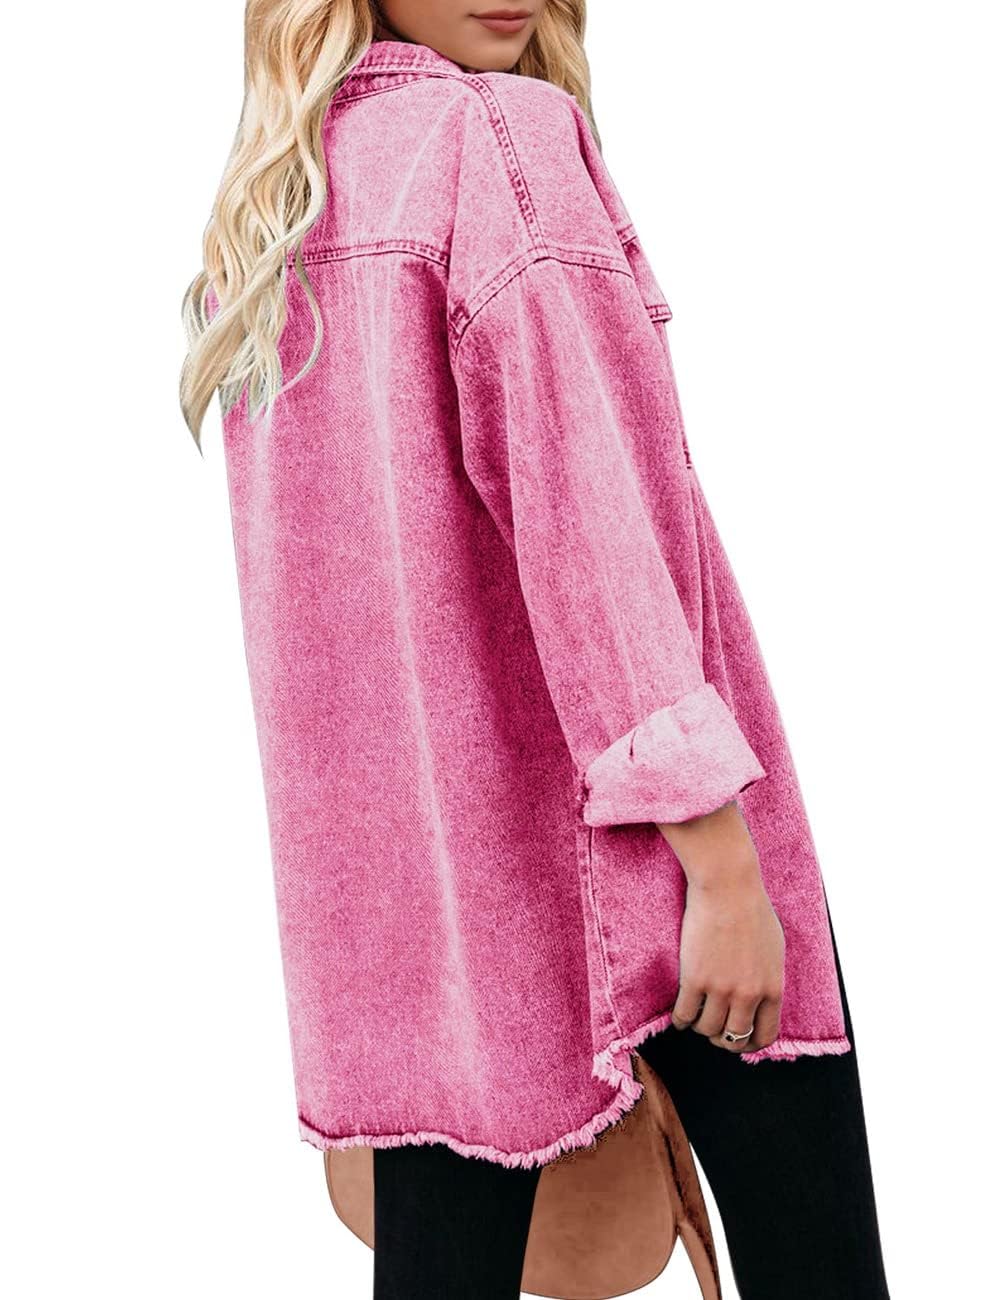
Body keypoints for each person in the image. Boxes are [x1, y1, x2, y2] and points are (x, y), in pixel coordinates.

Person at [180, 3, 891, 1297]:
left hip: (416, 914)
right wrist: (723, 863)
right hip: (644, 865)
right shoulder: (496, 139)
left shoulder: (282, 207)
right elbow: (594, 528)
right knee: (819, 1271)